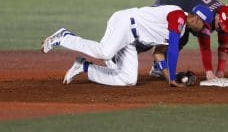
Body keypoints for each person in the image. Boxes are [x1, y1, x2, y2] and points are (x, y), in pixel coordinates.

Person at [41, 5, 213, 87]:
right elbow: (174, 48)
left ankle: (84, 66)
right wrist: (174, 78)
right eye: (204, 25)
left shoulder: (182, 30)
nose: (204, 30)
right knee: (105, 52)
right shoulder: (177, 15)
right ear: (196, 19)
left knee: (128, 80)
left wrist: (169, 78)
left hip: (131, 39)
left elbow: (159, 54)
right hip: (125, 23)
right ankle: (64, 37)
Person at [149, 0, 228, 80]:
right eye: (221, 25)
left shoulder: (223, 16)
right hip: (167, 1)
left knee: (183, 35)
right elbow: (205, 47)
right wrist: (209, 72)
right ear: (219, 16)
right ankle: (158, 67)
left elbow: (223, 46)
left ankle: (161, 65)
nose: (221, 28)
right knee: (179, 36)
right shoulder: (206, 16)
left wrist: (220, 71)